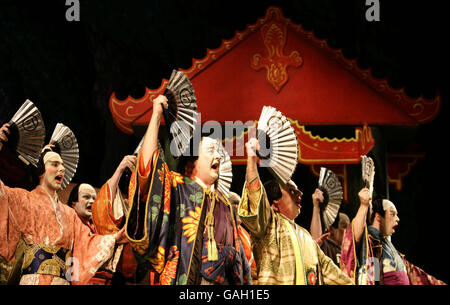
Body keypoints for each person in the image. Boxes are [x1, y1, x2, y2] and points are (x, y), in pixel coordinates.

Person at [124, 95, 250, 285]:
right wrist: (156, 115)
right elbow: (147, 170)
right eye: (210, 150)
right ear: (192, 162)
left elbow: (240, 262)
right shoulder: (178, 187)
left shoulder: (226, 205)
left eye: (218, 151)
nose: (218, 155)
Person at [0, 123, 126, 285]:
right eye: (54, 164)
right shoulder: (22, 199)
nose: (61, 169)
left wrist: (115, 238)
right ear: (40, 172)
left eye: (62, 165)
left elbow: (88, 245)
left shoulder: (70, 214)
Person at [238, 138, 354, 285]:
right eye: (292, 191)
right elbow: (254, 195)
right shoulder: (269, 225)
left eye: (298, 190)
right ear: (274, 203)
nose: (300, 193)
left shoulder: (306, 236)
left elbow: (330, 272)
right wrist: (252, 159)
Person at [340, 188, 446, 285]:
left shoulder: (385, 244)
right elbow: (354, 238)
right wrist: (364, 205)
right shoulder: (371, 243)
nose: (397, 219)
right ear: (378, 217)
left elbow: (417, 275)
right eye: (392, 214)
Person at [67, 155, 137, 285]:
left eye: (94, 198)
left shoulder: (97, 226)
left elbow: (104, 202)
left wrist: (121, 169)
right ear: (73, 203)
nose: (92, 201)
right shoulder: (69, 222)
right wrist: (115, 238)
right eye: (86, 197)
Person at [309, 188, 350, 265]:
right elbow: (316, 240)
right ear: (331, 229)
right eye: (344, 226)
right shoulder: (326, 245)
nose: (347, 232)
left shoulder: (349, 252)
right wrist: (316, 207)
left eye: (349, 228)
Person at [229, 191, 257, 283]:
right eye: (236, 203)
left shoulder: (244, 231)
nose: (240, 207)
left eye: (241, 203)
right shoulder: (223, 230)